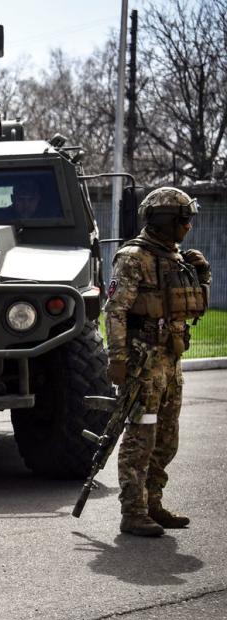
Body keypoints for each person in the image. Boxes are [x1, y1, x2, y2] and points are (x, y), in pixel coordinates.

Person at [104, 186, 211, 537]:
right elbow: (116, 310)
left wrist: (202, 279)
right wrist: (117, 358)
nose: (188, 227)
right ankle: (132, 512)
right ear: (166, 221)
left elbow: (189, 307)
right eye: (184, 220)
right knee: (141, 436)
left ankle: (153, 503)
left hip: (170, 360)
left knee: (167, 436)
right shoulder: (133, 258)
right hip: (143, 363)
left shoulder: (175, 257)